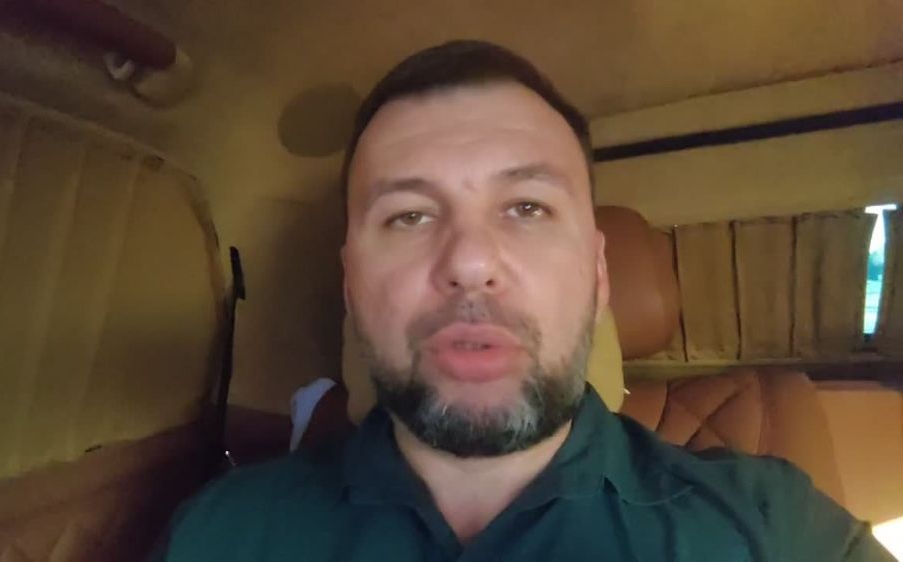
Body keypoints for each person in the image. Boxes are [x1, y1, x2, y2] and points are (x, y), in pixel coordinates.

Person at [151, 40, 894, 561]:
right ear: (351, 284)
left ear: (598, 275)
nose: (470, 262)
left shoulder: (774, 529)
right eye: (409, 216)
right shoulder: (221, 535)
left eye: (528, 208)